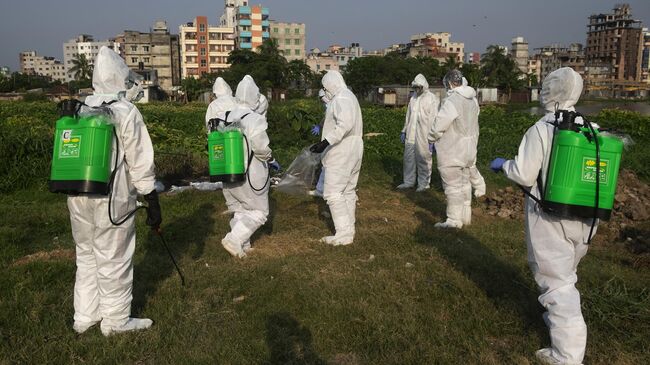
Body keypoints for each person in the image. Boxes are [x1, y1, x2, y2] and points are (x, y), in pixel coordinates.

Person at [490, 67, 594, 365]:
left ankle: (567, 355)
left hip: (551, 217)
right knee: (566, 275)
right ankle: (559, 326)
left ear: (550, 91)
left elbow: (524, 173)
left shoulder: (544, 127)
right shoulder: (590, 126)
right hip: (586, 218)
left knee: (557, 284)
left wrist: (504, 166)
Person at [69, 46, 160, 336]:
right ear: (121, 78)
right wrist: (151, 197)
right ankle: (116, 321)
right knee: (114, 256)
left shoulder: (80, 108)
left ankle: (84, 317)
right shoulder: (124, 111)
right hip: (113, 197)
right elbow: (139, 159)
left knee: (86, 255)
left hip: (78, 193)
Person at [220, 76, 280, 258]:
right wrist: (270, 159)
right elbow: (261, 148)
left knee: (240, 208)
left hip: (228, 170)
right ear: (255, 97)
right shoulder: (255, 118)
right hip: (251, 172)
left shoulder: (225, 116)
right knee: (260, 212)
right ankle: (234, 239)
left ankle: (242, 246)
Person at [310, 70, 363, 246]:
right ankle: (349, 230)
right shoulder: (350, 96)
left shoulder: (341, 98)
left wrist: (325, 142)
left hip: (342, 149)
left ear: (331, 85)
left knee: (332, 192)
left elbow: (344, 125)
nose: (325, 92)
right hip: (354, 147)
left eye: (325, 88)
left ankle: (343, 234)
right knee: (347, 190)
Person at [428, 69, 480, 228]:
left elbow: (440, 124)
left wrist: (431, 138)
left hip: (453, 149)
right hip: (469, 149)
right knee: (465, 183)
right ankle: (465, 216)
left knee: (452, 186)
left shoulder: (452, 100)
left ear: (449, 83)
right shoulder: (472, 100)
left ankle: (453, 220)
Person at [397, 74, 439, 192]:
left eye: (419, 87)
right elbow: (408, 116)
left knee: (423, 158)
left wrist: (433, 138)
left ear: (424, 86)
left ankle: (424, 184)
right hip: (411, 132)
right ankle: (409, 181)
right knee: (409, 158)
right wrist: (404, 130)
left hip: (425, 134)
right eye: (415, 87)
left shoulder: (432, 99)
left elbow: (435, 119)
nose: (417, 90)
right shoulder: (413, 98)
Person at [309, 89, 331, 197]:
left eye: (323, 100)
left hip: (333, 141)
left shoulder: (337, 105)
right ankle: (320, 189)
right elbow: (325, 119)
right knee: (324, 164)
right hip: (328, 141)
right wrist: (319, 126)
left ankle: (323, 189)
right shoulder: (329, 108)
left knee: (328, 166)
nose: (323, 103)